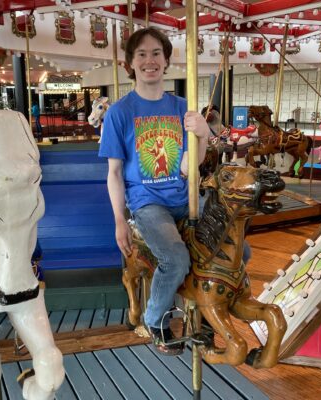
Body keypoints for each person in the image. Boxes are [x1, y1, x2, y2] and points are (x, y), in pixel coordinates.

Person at [99, 27, 210, 356]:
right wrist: (120, 220)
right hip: (148, 203)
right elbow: (115, 173)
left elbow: (194, 163)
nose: (150, 61)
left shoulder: (182, 107)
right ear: (131, 64)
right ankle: (154, 318)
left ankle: (208, 313)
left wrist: (203, 135)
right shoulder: (120, 113)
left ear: (166, 60)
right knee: (175, 259)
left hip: (184, 195)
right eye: (142, 55)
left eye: (156, 53)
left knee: (239, 251)